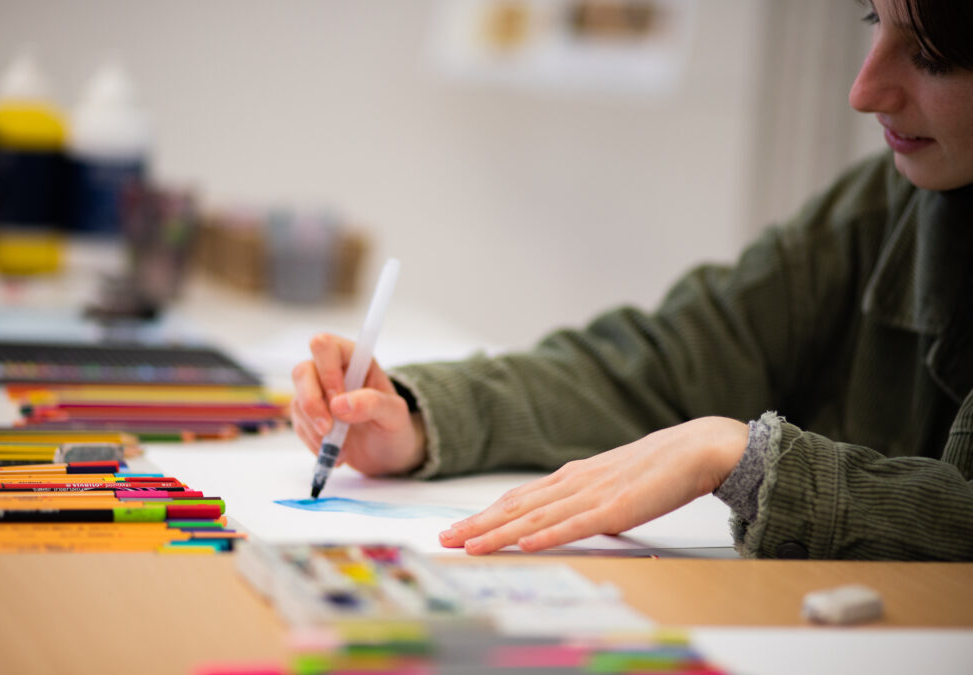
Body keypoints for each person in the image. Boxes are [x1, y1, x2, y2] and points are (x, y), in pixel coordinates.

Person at [290, 0, 973, 561]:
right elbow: (655, 364)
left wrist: (747, 459)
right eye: (871, 22)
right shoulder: (887, 205)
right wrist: (418, 419)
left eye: (931, 57)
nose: (863, 91)